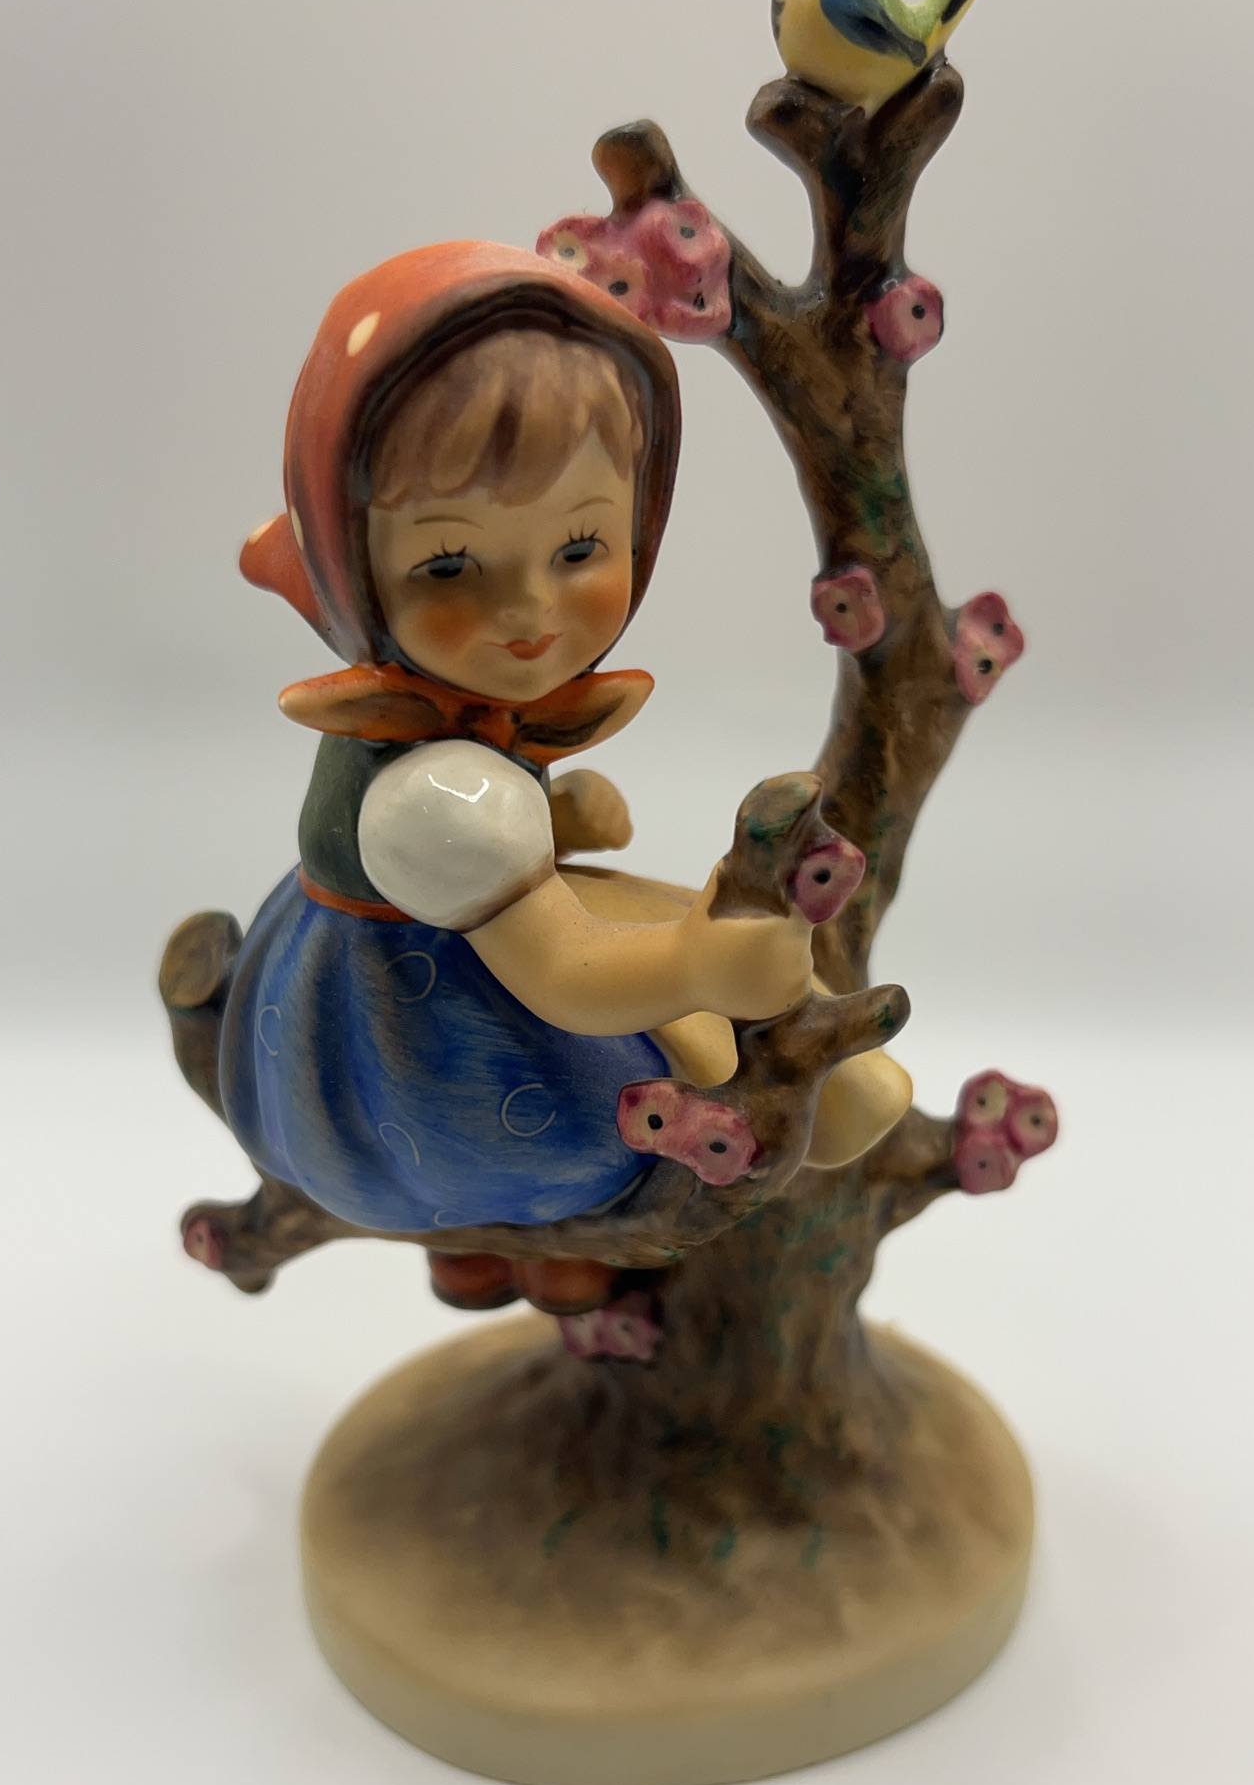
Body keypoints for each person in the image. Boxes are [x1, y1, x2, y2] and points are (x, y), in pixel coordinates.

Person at [220, 240, 909, 1238]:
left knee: (677, 926)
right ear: (352, 570)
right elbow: (561, 970)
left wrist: (551, 822)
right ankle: (789, 1114)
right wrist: (694, 966)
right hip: (426, 1070)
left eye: (580, 548)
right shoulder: (431, 798)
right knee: (685, 972)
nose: (530, 612)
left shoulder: (456, 755)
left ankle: (823, 1089)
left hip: (434, 951)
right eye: (449, 566)